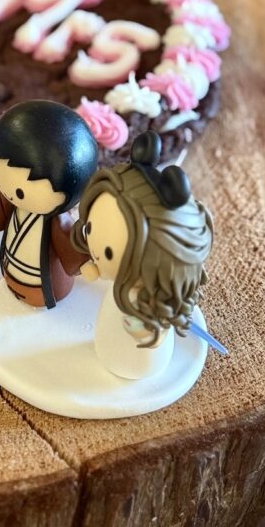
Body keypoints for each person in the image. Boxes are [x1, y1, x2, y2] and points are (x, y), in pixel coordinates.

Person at [70, 130, 213, 378]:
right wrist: (97, 268)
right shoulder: (124, 285)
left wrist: (146, 326)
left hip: (138, 359)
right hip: (111, 328)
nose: (93, 248)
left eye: (107, 252)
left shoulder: (152, 299)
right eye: (90, 228)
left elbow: (150, 334)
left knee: (130, 351)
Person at [0, 100, 98, 308]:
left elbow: (67, 240)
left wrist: (82, 262)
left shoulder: (56, 222)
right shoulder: (11, 204)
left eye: (20, 191)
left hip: (44, 285)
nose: (9, 191)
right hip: (12, 273)